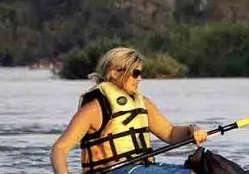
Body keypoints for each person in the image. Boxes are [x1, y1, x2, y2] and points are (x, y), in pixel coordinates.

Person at [50, 47, 209, 174]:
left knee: (208, 169)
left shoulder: (142, 103)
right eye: (135, 73)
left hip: (143, 168)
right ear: (114, 73)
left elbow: (170, 133)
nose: (139, 78)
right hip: (113, 171)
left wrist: (192, 130)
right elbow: (60, 148)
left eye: (140, 73)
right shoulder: (95, 108)